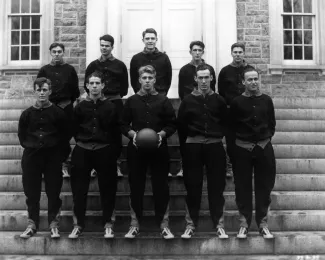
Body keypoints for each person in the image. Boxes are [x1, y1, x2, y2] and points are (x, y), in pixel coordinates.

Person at [121, 65, 176, 240]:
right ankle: (134, 224)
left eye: (150, 78)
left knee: (161, 187)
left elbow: (172, 124)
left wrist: (161, 134)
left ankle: (164, 225)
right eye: (144, 78)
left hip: (159, 149)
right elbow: (122, 124)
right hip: (136, 149)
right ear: (139, 79)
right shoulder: (131, 101)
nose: (147, 81)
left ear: (155, 79)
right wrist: (133, 135)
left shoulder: (163, 100)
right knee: (136, 186)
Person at [177, 64, 228, 239]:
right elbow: (181, 126)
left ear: (212, 78)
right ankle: (190, 225)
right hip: (193, 147)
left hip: (214, 147)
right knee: (193, 187)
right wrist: (186, 151)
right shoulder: (188, 100)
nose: (204, 81)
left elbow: (225, 124)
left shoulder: (219, 100)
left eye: (207, 77)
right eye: (200, 78)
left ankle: (219, 225)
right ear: (195, 79)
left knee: (217, 187)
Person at [68, 71, 120, 239]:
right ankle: (78, 224)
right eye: (92, 83)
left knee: (108, 189)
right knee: (79, 190)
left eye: (98, 83)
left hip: (104, 150)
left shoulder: (111, 106)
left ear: (103, 86)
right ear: (88, 86)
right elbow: (74, 128)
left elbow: (115, 132)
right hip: (83, 149)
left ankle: (108, 223)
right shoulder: (80, 106)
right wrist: (82, 142)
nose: (95, 86)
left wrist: (113, 153)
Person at [18, 77, 70, 239]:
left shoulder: (58, 113)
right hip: (32, 156)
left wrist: (58, 156)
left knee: (53, 191)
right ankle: (32, 223)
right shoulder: (26, 114)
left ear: (50, 91)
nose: (42, 93)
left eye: (45, 90)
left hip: (52, 157)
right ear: (34, 91)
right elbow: (22, 136)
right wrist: (32, 146)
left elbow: (64, 136)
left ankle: (53, 224)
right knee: (31, 192)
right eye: (39, 90)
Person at [230, 67, 276, 239]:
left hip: (264, 148)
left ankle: (263, 224)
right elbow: (231, 127)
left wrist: (265, 138)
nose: (253, 82)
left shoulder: (266, 100)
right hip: (242, 148)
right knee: (242, 187)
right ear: (243, 82)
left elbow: (272, 124)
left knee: (264, 186)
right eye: (249, 80)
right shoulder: (236, 102)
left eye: (255, 79)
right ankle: (244, 224)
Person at [84, 34, 128, 178]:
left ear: (112, 47)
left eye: (107, 45)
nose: (104, 48)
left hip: (115, 102)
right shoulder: (93, 65)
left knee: (115, 133)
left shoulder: (120, 65)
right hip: (97, 103)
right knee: (97, 130)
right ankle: (93, 166)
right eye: (102, 45)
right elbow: (87, 86)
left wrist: (113, 97)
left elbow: (124, 88)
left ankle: (116, 165)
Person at [37, 42, 80, 178]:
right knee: (47, 135)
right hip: (49, 108)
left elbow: (75, 91)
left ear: (63, 53)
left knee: (64, 137)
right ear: (50, 53)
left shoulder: (70, 70)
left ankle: (64, 165)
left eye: (59, 52)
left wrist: (66, 104)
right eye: (54, 51)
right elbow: (39, 89)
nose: (56, 54)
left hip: (65, 107)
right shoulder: (44, 70)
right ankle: (46, 166)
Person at [177, 40, 217, 177]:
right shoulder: (184, 70)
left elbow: (213, 87)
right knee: (185, 136)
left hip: (206, 106)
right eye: (194, 50)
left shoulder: (209, 69)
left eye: (200, 50)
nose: (197, 53)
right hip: (190, 108)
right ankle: (184, 164)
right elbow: (181, 90)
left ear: (203, 52)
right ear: (190, 52)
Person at [218, 43, 254, 178]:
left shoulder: (250, 69)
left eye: (240, 52)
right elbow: (221, 91)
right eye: (235, 52)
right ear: (231, 53)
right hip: (230, 111)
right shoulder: (225, 71)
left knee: (247, 138)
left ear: (244, 53)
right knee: (231, 140)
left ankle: (246, 165)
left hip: (247, 110)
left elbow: (254, 87)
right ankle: (230, 166)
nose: (237, 54)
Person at [130, 28, 172, 96]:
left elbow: (168, 79)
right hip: (142, 96)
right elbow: (134, 80)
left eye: (152, 38)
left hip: (160, 95)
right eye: (147, 38)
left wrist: (162, 94)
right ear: (143, 40)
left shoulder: (164, 58)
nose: (150, 41)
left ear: (156, 40)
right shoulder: (136, 58)